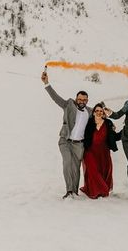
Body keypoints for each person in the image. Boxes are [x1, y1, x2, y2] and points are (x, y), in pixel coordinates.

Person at [41, 69, 92, 199]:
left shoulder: (90, 111)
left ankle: (74, 191)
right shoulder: (68, 105)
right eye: (79, 99)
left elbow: (101, 117)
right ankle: (69, 190)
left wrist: (110, 122)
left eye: (84, 99)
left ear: (87, 100)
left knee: (76, 168)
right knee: (67, 162)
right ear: (76, 99)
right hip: (65, 141)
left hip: (79, 145)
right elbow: (55, 98)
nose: (82, 101)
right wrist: (47, 83)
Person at [80, 103, 121, 199]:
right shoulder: (89, 122)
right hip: (90, 151)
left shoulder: (108, 123)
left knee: (103, 170)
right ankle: (97, 190)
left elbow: (114, 137)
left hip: (104, 152)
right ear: (93, 112)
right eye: (96, 111)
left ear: (103, 113)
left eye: (100, 111)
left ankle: (101, 190)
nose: (98, 112)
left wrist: (126, 131)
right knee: (93, 170)